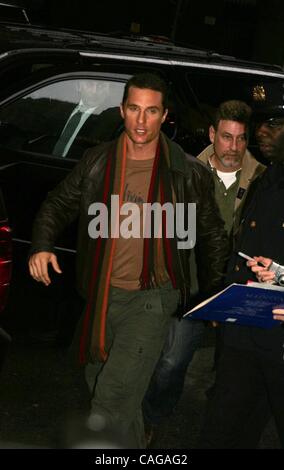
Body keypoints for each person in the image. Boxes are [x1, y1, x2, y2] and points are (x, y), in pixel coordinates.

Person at [28, 73, 228, 448]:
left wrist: (214, 292)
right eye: (134, 109)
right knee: (103, 381)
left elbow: (213, 234)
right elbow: (57, 203)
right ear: (122, 110)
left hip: (153, 297)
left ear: (164, 115)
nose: (141, 120)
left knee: (111, 397)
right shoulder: (98, 161)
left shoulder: (185, 172)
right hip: (103, 294)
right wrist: (41, 245)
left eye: (151, 111)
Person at [143, 100, 265, 439]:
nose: (234, 147)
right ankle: (152, 418)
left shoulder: (262, 177)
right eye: (227, 137)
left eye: (241, 139)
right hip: (194, 288)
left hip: (239, 291)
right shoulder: (183, 172)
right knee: (170, 362)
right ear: (213, 134)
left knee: (233, 374)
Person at [199, 83, 284, 449]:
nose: (262, 132)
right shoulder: (269, 177)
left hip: (278, 340)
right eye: (261, 123)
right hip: (246, 330)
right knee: (225, 428)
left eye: (275, 123)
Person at [52, 79, 122, 158]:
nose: (94, 91)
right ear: (78, 86)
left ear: (108, 90)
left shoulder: (111, 121)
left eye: (101, 86)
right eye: (90, 84)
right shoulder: (59, 107)